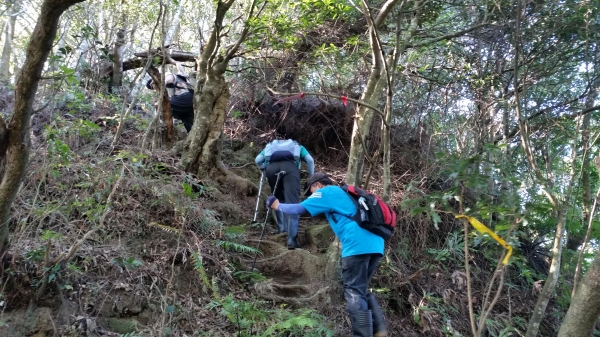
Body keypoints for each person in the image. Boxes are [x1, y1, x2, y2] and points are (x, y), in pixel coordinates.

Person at [265, 172, 388, 337]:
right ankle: (380, 331)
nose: (311, 195)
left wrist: (277, 205)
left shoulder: (326, 192)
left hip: (357, 244)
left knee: (353, 291)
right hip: (376, 243)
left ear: (318, 185)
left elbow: (299, 209)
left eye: (311, 191)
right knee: (361, 289)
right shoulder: (343, 193)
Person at [255, 138, 314, 249]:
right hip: (290, 169)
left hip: (271, 169)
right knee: (292, 201)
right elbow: (310, 160)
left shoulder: (270, 146)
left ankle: (282, 229)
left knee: (278, 198)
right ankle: (291, 239)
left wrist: (263, 167)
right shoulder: (297, 146)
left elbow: (258, 159)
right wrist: (311, 177)